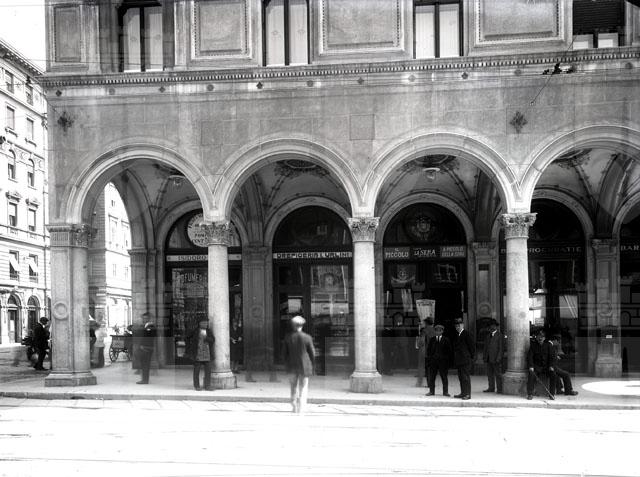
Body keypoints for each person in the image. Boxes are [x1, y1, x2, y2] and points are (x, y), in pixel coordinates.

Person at [283, 315, 315, 414]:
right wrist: (312, 363)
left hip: (291, 365)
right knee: (303, 387)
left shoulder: (288, 337)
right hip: (304, 366)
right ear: (302, 325)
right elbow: (312, 353)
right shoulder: (307, 337)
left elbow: (284, 353)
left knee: (293, 386)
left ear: (293, 325)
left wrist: (286, 363)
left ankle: (294, 405)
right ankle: (301, 407)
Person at [186, 318, 215, 390]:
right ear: (200, 323)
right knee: (197, 370)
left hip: (207, 354)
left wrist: (207, 338)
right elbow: (187, 337)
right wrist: (189, 347)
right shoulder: (195, 331)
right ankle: (197, 386)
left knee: (208, 371)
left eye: (206, 323)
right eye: (204, 323)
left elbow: (213, 340)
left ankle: (207, 386)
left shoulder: (208, 331)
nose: (206, 324)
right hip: (198, 354)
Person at [526, 329, 556, 400]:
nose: (540, 338)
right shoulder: (533, 346)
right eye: (539, 336)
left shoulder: (548, 345)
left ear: (544, 338)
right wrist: (531, 366)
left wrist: (551, 366)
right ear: (536, 337)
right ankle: (530, 394)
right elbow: (529, 357)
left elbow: (552, 357)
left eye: (542, 337)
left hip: (547, 367)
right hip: (536, 367)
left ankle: (552, 394)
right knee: (531, 374)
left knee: (553, 374)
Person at [425, 324, 452, 396]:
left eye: (440, 331)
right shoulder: (432, 339)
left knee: (444, 377)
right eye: (436, 331)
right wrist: (430, 359)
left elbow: (449, 351)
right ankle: (431, 391)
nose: (438, 332)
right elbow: (429, 350)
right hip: (433, 362)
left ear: (442, 331)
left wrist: (447, 361)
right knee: (432, 377)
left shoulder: (446, 340)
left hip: (443, 362)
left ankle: (445, 392)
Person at [453, 317, 475, 400]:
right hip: (459, 360)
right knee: (461, 377)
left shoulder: (467, 334)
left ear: (462, 325)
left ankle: (467, 394)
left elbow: (472, 347)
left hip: (465, 359)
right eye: (456, 326)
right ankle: (463, 393)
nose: (457, 327)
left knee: (465, 378)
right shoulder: (457, 335)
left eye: (459, 325)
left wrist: (471, 357)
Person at [483, 319, 503, 394]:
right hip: (488, 358)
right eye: (491, 326)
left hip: (496, 358)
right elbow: (485, 347)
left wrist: (498, 358)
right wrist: (484, 357)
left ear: (496, 327)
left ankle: (499, 389)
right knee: (489, 374)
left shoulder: (500, 336)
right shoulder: (488, 336)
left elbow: (501, 348)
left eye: (493, 325)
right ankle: (491, 388)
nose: (492, 327)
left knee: (498, 374)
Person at [136, 313, 156, 385]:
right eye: (143, 318)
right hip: (142, 347)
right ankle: (144, 379)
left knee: (146, 364)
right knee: (143, 364)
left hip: (147, 348)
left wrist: (144, 346)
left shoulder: (151, 326)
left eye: (146, 318)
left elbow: (150, 337)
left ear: (149, 319)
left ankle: (145, 380)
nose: (144, 320)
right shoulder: (144, 326)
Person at [416, 318, 435, 387]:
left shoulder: (424, 331)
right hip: (433, 352)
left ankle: (420, 382)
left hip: (425, 352)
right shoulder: (434, 330)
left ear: (426, 323)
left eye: (424, 323)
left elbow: (421, 342)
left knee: (421, 367)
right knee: (431, 368)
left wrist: (418, 342)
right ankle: (431, 383)